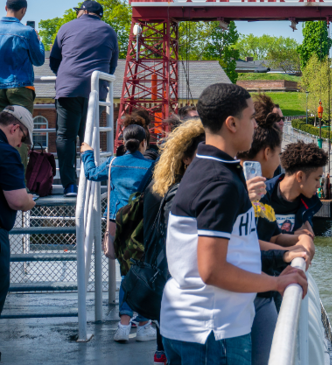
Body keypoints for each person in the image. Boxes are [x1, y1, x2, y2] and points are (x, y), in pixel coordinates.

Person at [160, 83, 307, 365]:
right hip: (212, 331)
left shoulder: (207, 168)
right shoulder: (220, 182)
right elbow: (212, 270)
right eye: (251, 118)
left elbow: (238, 243)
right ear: (231, 123)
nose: (255, 125)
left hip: (195, 327)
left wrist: (283, 254)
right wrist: (276, 282)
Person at [237, 96, 314, 365]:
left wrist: (300, 239)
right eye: (279, 155)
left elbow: (265, 235)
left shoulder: (251, 189)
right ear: (268, 153)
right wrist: (286, 255)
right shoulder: (245, 190)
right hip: (242, 297)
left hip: (254, 292)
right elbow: (239, 243)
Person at [80, 124, 156, 343]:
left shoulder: (114, 163)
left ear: (123, 142)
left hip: (117, 222)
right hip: (141, 225)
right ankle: (142, 324)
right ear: (144, 143)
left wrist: (87, 153)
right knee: (143, 273)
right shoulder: (151, 166)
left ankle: (124, 325)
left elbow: (92, 174)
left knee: (126, 274)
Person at [143, 118, 207, 364]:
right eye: (204, 153)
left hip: (165, 285)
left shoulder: (160, 184)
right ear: (186, 158)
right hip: (181, 290)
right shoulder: (183, 193)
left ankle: (161, 350)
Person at [50, 0, 118, 197]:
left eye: (78, 10)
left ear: (85, 11)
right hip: (95, 91)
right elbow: (111, 66)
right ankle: (89, 181)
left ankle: (69, 185)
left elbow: (54, 59)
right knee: (88, 137)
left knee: (65, 136)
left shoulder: (66, 27)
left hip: (68, 88)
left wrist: (66, 75)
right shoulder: (110, 31)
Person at [0, 0, 45, 169]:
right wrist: (38, 41)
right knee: (20, 133)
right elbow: (39, 59)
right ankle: (19, 185)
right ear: (23, 10)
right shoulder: (27, 32)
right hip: (20, 87)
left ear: (5, 8)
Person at [0, 106, 36, 315]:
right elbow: (18, 201)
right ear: (14, 128)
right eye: (23, 136)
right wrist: (30, 201)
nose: (20, 144)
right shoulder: (6, 152)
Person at [262, 141, 327, 236]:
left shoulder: (309, 200)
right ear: (300, 176)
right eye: (316, 179)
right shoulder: (261, 194)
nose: (318, 185)